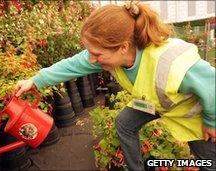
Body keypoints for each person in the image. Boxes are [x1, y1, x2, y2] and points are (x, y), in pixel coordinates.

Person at [14, 1, 215, 170]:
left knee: (208, 161)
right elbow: (72, 64)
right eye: (90, 52)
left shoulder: (169, 61)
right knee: (124, 123)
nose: (91, 60)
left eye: (97, 54)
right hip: (155, 103)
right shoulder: (109, 54)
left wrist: (211, 120)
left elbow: (212, 84)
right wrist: (35, 80)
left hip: (196, 116)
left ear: (123, 47)